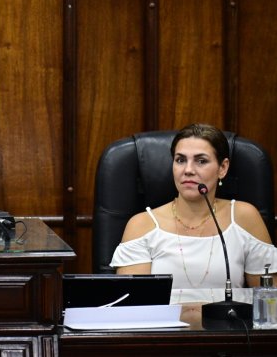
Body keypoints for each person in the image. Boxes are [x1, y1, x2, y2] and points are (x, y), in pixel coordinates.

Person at [110, 123, 277, 312]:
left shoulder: (244, 217)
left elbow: (270, 305)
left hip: (230, 336)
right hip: (161, 338)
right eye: (180, 160)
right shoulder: (141, 225)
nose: (188, 170)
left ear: (223, 168)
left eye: (201, 161)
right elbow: (132, 309)